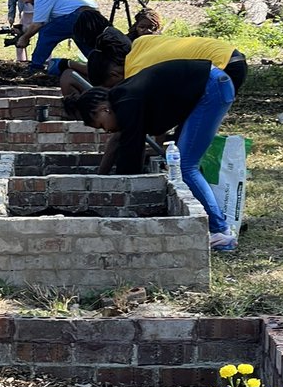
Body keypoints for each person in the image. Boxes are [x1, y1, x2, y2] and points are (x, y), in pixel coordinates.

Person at [64, 57, 247, 251]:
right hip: (209, 84)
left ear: (104, 109)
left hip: (211, 87)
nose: (105, 131)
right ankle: (219, 224)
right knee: (183, 161)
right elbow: (122, 143)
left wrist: (125, 190)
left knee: (184, 165)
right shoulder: (122, 98)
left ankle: (221, 231)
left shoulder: (127, 101)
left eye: (101, 125)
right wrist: (102, 178)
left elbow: (131, 151)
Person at [14, 0, 99, 73]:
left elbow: (38, 24)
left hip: (76, 16)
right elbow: (48, 22)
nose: (25, 2)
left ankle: (35, 67)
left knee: (47, 33)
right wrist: (24, 30)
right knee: (81, 40)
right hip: (93, 15)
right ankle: (100, 68)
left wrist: (24, 38)